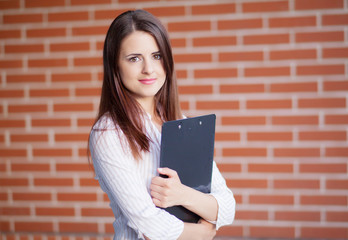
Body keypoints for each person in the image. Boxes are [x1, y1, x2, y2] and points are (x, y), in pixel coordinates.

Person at [88, 9, 236, 240]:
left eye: (156, 56)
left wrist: (181, 195)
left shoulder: (183, 124)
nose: (149, 68)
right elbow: (148, 224)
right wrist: (204, 232)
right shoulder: (108, 133)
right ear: (115, 65)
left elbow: (227, 207)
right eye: (134, 58)